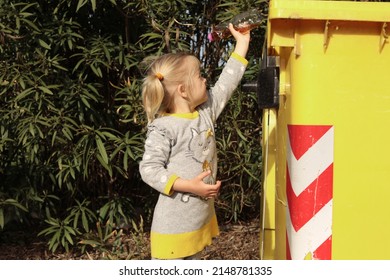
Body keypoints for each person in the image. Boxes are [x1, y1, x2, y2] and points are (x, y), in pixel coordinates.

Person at [139, 23, 250, 260]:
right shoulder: (164, 127)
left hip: (197, 219)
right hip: (173, 229)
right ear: (183, 90)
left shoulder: (205, 114)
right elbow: (148, 169)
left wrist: (241, 44)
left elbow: (226, 85)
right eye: (199, 76)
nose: (204, 80)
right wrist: (189, 186)